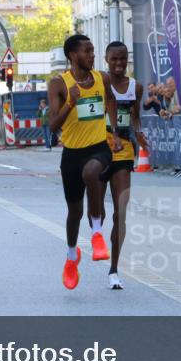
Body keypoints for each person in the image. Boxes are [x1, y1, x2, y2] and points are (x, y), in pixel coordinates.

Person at [47, 34, 122, 291]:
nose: (92, 55)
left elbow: (110, 100)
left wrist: (114, 132)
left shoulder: (102, 78)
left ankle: (97, 232)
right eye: (87, 51)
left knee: (92, 172)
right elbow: (53, 125)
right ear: (73, 55)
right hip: (71, 154)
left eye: (92, 50)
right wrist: (70, 102)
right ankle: (71, 256)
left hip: (99, 148)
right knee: (74, 212)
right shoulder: (59, 83)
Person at [100, 41, 147, 290]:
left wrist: (140, 135)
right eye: (114, 59)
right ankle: (96, 231)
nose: (119, 64)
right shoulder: (98, 82)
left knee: (121, 212)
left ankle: (114, 270)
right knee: (98, 212)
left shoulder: (135, 87)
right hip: (98, 149)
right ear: (106, 60)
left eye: (122, 59)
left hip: (124, 152)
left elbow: (135, 117)